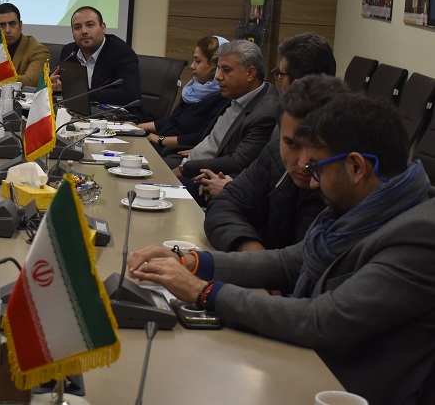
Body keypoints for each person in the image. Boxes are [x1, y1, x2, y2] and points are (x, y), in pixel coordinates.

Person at [128, 93, 435, 405]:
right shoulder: (366, 207)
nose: (312, 182)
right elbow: (289, 262)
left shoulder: (420, 235)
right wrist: (191, 261)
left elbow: (322, 320)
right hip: (305, 365)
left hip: (337, 388)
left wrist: (201, 291)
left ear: (356, 167)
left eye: (317, 168)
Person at [203, 75, 351, 252]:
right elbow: (225, 203)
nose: (303, 163)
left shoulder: (350, 189)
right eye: (292, 144)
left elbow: (301, 262)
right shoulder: (273, 154)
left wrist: (258, 261)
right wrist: (248, 245)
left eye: (317, 146)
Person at [196, 32, 337, 198]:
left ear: (300, 82)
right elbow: (259, 172)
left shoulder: (313, 132)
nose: (280, 83)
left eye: (281, 75)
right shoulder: (284, 121)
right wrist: (231, 186)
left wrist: (230, 189)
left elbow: (274, 199)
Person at [166, 39, 278, 176]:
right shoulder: (237, 93)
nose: (218, 76)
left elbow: (237, 163)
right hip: (191, 161)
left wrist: (185, 169)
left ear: (250, 73)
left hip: (206, 175)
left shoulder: (264, 113)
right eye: (218, 69)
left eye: (226, 70)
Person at [139, 35, 229, 151]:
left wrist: (161, 140)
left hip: (173, 151)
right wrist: (139, 127)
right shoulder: (192, 90)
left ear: (214, 65)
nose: (192, 66)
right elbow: (175, 120)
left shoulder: (223, 99)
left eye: (198, 61)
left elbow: (202, 137)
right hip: (160, 143)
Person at [49, 6, 141, 108]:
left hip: (114, 114)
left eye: (90, 25)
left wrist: (79, 93)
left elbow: (130, 95)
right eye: (77, 27)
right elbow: (59, 85)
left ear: (103, 27)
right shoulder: (69, 51)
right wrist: (52, 87)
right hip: (77, 111)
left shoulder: (121, 53)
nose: (84, 31)